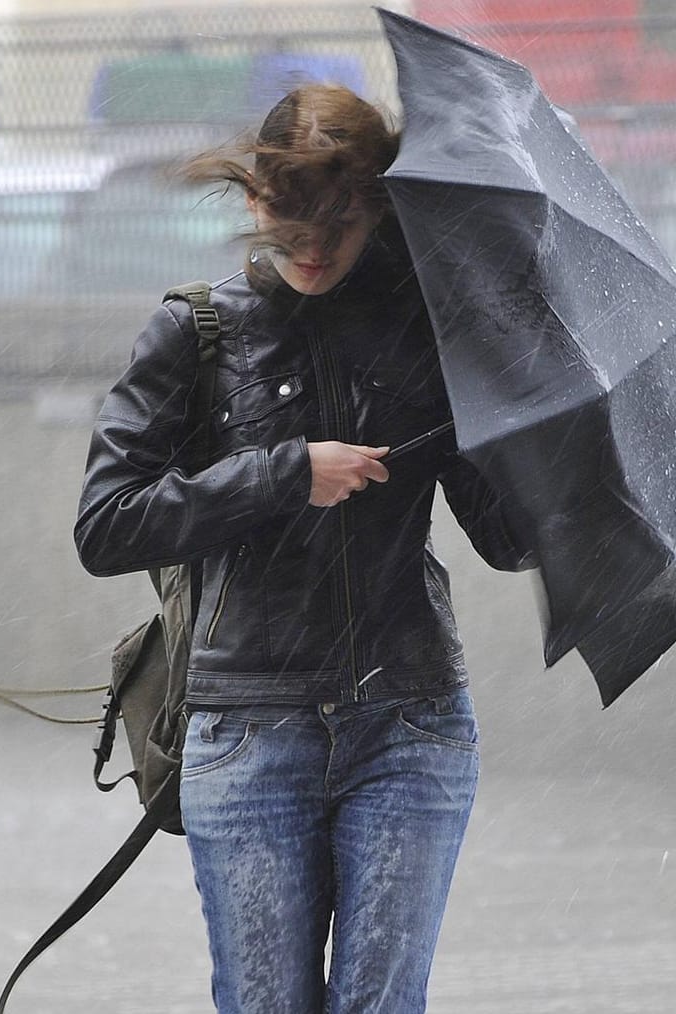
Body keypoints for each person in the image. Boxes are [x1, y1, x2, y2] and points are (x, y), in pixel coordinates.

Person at [74, 83, 532, 1013]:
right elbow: (106, 524)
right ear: (254, 201)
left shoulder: (428, 334)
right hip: (248, 728)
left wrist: (516, 417)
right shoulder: (197, 331)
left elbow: (507, 540)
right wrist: (284, 473)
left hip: (411, 722)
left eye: (342, 226)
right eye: (291, 228)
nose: (315, 253)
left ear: (380, 207)